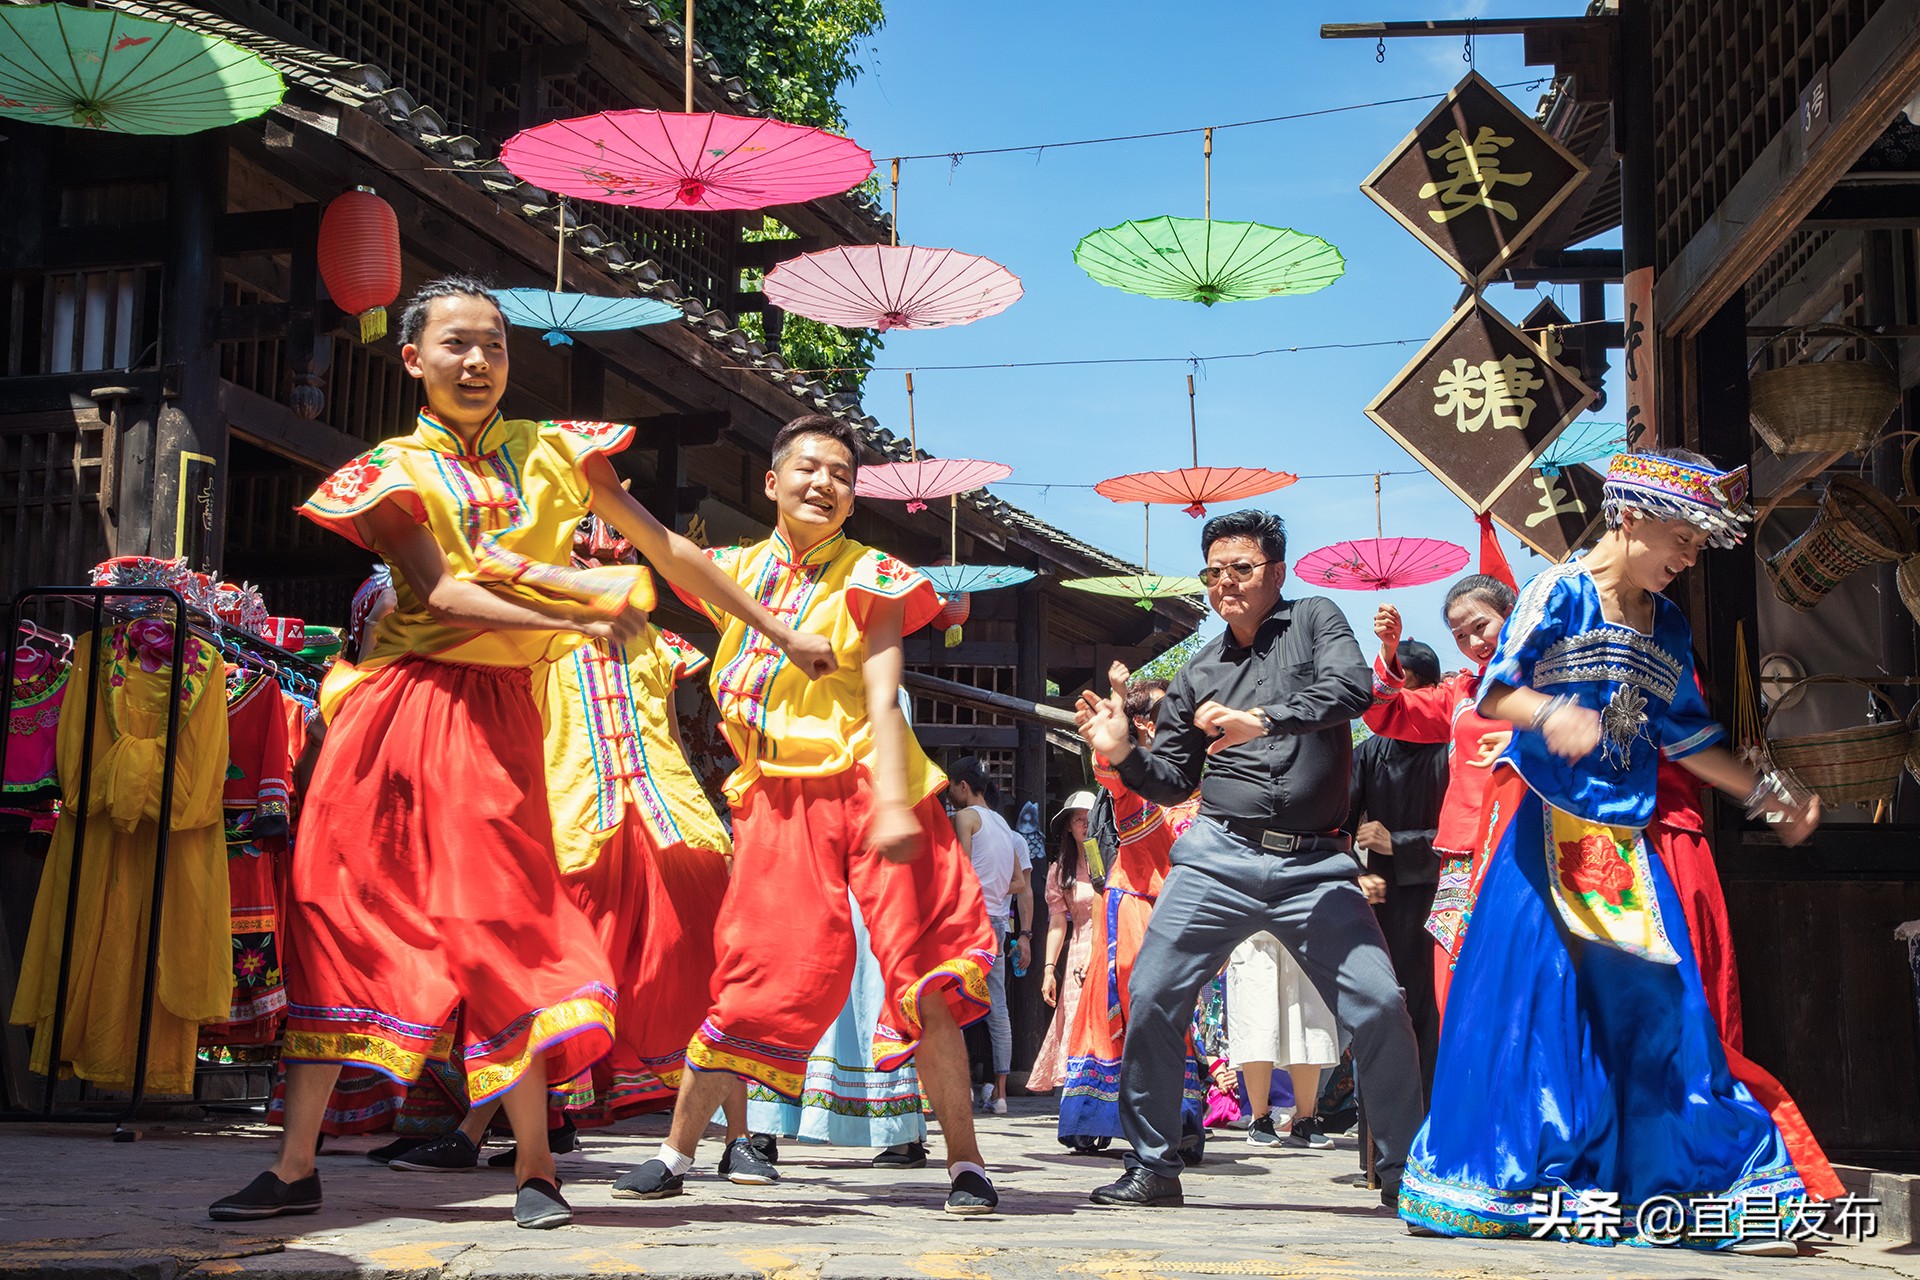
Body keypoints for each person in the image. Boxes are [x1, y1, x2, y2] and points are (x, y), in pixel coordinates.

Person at [208, 276, 835, 1230]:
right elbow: (443, 594)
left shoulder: (557, 454)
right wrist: (580, 615)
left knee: (511, 920)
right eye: (455, 345)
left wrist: (778, 632)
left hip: (502, 720)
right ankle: (295, 1166)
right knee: (340, 911)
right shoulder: (389, 475)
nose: (477, 363)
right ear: (412, 359)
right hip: (397, 714)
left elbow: (670, 552)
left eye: (494, 347)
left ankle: (535, 1168)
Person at [1400, 449, 1823, 1253]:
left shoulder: (1665, 622)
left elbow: (1687, 734)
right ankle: (1508, 1186)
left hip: (1621, 847)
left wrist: (1764, 795)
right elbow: (1497, 690)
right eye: (1685, 538)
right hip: (1545, 839)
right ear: (1629, 516)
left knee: (1663, 1011)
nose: (1690, 557)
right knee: (1536, 1012)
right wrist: (1547, 715)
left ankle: (1690, 1191)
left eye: (1700, 545)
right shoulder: (1557, 591)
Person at [609, 414, 1000, 1216]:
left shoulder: (876, 575)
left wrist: (893, 801)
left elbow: (886, 695)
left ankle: (965, 1163)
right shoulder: (740, 571)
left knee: (925, 972)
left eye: (842, 476)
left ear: (854, 499)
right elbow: (666, 547)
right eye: (810, 469)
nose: (824, 484)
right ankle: (674, 1152)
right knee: (751, 971)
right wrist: (597, 482)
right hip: (777, 799)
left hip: (877, 783)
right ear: (771, 481)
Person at [1073, 509, 1423, 1208]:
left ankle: (1401, 1174)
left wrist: (1261, 719)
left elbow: (1353, 689)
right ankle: (1153, 1165)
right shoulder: (1200, 668)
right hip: (1218, 854)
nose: (1225, 582)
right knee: (1152, 993)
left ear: (1276, 572)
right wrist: (1120, 753)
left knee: (1380, 1003)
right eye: (1213, 571)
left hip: (1316, 864)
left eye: (1241, 568)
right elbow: (1171, 777)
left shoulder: (1316, 619)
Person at [1058, 681, 1208, 1159]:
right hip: (1133, 905)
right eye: (1169, 711)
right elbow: (1107, 767)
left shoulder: (1194, 774)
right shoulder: (1129, 771)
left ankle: (1179, 1117)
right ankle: (1104, 1113)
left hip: (1182, 906)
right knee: (1128, 1002)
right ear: (1145, 725)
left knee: (1173, 1009)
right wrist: (1109, 733)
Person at [1362, 577, 1515, 1028]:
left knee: (1517, 971)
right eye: (1459, 636)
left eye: (1481, 626)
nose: (1472, 642)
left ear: (1513, 615)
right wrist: (1389, 651)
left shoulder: (1548, 678)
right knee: (1455, 978)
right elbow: (1387, 715)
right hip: (1462, 853)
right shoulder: (1462, 694)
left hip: (1521, 843)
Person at [1346, 637, 1448, 1096]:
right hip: (1384, 901)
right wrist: (1356, 872)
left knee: (1440, 1015)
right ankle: (1383, 1152)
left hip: (1448, 894)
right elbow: (1337, 825)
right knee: (1388, 1012)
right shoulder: (1368, 752)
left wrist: (1398, 842)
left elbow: (1474, 826)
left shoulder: (1453, 749)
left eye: (1401, 683)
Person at [946, 756, 1032, 1115]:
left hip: (969, 921)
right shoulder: (1004, 826)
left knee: (953, 1003)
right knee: (998, 1010)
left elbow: (959, 870)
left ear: (963, 786)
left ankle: (961, 1087)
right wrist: (994, 890)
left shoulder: (965, 818)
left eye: (952, 788)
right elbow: (1018, 883)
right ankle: (999, 1094)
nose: (950, 796)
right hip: (998, 921)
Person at [1225, 933, 1339, 1149]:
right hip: (1255, 931)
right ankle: (1259, 1119)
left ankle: (1305, 1120)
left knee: (1308, 1024)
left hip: (1305, 929)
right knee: (1257, 1022)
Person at [1025, 791, 1096, 1102]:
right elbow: (1057, 923)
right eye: (1078, 818)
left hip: (1107, 948)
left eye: (1090, 818)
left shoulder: (1104, 859)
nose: (1085, 824)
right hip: (1078, 953)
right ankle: (1078, 1101)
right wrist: (1049, 969)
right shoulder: (1061, 868)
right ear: (1068, 825)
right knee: (1075, 1022)